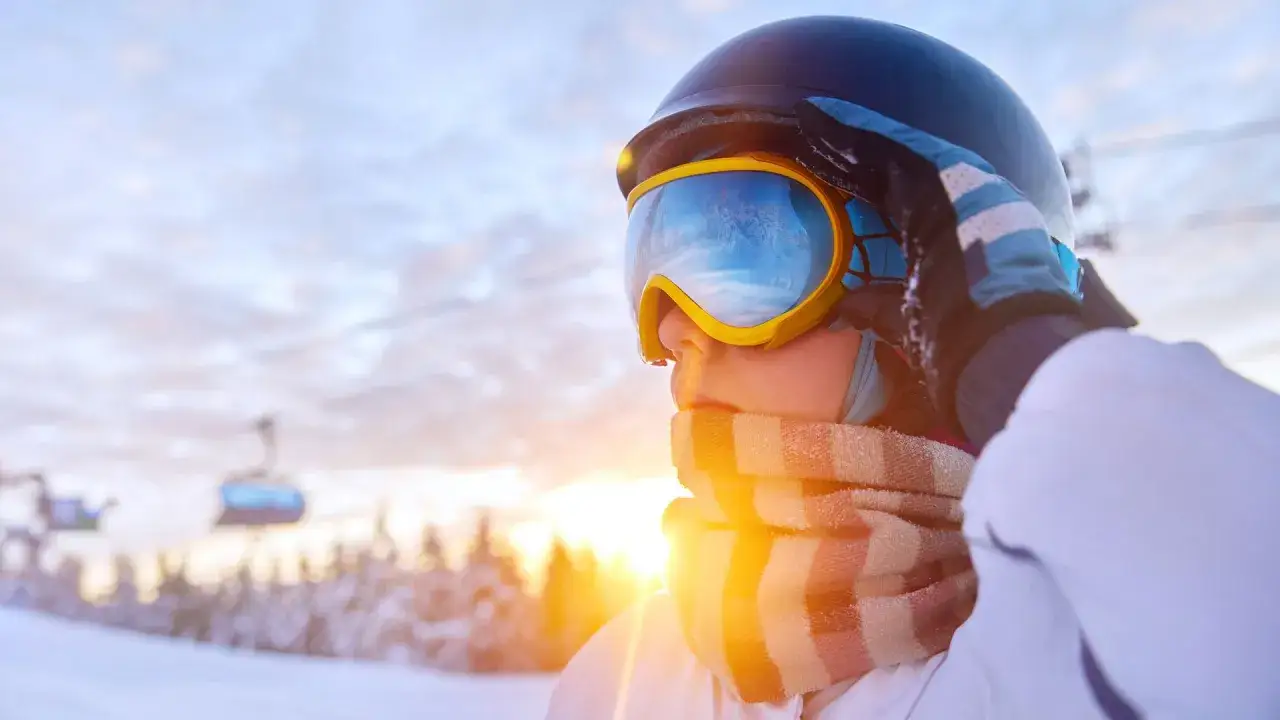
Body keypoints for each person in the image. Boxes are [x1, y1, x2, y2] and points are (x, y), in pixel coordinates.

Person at [546, 15, 1280, 720]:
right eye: (652, 260)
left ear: (921, 288)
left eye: (746, 248)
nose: (672, 323)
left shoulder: (1076, 648)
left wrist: (1031, 365)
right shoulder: (619, 678)